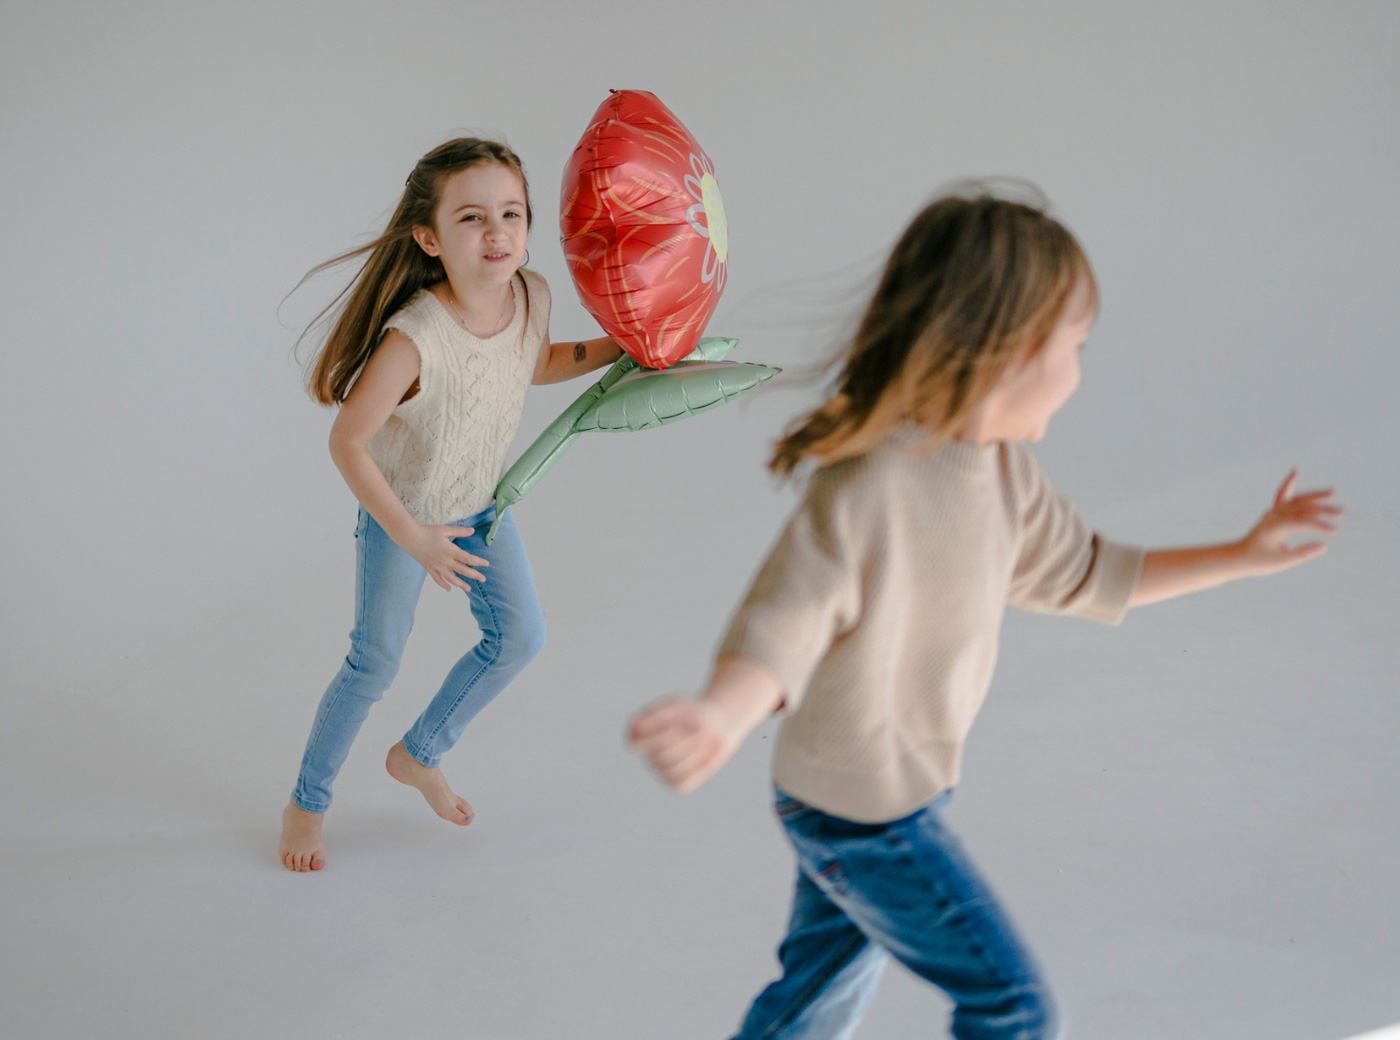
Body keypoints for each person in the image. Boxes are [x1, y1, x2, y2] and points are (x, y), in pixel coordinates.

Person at [629, 187, 1342, 1039]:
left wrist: (1243, 553)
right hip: (863, 816)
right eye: (1075, 344)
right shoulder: (868, 488)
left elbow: (1091, 572)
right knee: (1016, 1009)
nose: (1079, 371)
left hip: (881, 795)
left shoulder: (1002, 477)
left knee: (814, 1001)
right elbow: (785, 623)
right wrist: (721, 713)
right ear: (1007, 349)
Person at [279, 138, 623, 872]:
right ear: (430, 238)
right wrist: (415, 538)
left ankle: (419, 753)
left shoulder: (532, 294)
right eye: (472, 217)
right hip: (403, 517)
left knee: (520, 637)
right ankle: (306, 803)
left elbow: (537, 363)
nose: (497, 232)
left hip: (484, 510)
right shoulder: (414, 337)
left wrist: (621, 347)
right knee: (374, 663)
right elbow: (348, 443)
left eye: (512, 213)